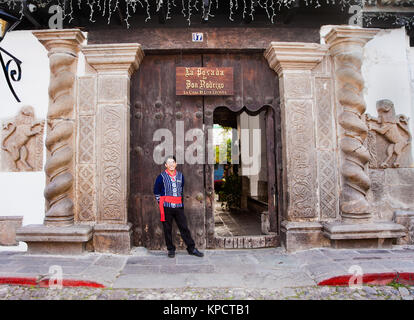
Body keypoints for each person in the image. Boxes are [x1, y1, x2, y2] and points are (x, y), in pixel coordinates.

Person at [153, 155, 204, 258]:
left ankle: (191, 248)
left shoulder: (181, 176)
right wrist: (161, 203)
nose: (171, 165)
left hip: (178, 207)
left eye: (173, 162)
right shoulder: (161, 177)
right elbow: (156, 191)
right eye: (169, 163)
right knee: (167, 229)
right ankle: (170, 249)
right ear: (166, 165)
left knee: (184, 227)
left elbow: (181, 190)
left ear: (175, 164)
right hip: (166, 207)